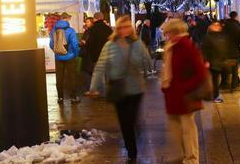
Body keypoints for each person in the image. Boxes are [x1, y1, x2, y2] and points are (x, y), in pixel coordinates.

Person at [88, 16, 151, 164]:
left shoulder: (137, 44)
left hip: (136, 89)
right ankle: (132, 154)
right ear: (117, 29)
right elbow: (100, 66)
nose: (124, 30)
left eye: (127, 26)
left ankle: (136, 134)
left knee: (133, 119)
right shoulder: (110, 45)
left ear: (131, 28)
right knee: (125, 123)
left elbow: (147, 62)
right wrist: (94, 87)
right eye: (121, 27)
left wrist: (144, 62)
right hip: (118, 89)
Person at [161, 18, 205, 164]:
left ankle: (191, 159)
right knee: (176, 129)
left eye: (167, 33)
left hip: (185, 96)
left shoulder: (186, 46)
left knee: (188, 130)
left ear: (175, 32)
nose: (166, 36)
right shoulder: (171, 47)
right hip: (173, 95)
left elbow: (201, 73)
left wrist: (184, 88)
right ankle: (184, 155)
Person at [50, 13, 81, 104]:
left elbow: (51, 44)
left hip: (58, 57)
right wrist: (75, 54)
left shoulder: (53, 30)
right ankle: (73, 97)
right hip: (70, 56)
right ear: (66, 19)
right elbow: (75, 44)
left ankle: (60, 98)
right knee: (72, 77)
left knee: (59, 77)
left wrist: (57, 51)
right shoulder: (70, 30)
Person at [201, 21, 229, 103]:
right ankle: (215, 96)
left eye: (218, 25)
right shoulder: (208, 37)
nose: (217, 27)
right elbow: (204, 49)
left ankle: (214, 94)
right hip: (213, 61)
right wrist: (206, 60)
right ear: (211, 27)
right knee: (214, 80)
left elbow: (224, 47)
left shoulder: (221, 36)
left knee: (220, 79)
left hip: (221, 61)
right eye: (215, 25)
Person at [222, 11, 240, 90]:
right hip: (235, 51)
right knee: (234, 70)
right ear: (236, 17)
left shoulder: (224, 26)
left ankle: (225, 83)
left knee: (225, 68)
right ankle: (234, 86)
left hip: (225, 51)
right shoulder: (237, 26)